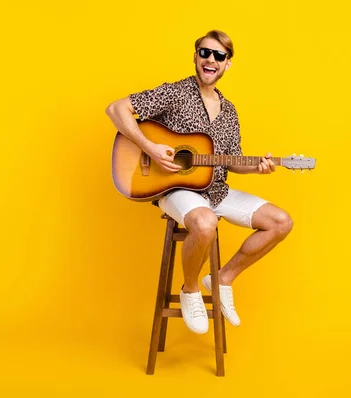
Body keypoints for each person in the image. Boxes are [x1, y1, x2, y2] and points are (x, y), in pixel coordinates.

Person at [105, 30, 293, 334]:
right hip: (176, 188)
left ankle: (223, 278)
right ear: (195, 56)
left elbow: (232, 161)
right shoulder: (175, 93)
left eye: (219, 56)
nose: (210, 59)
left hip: (217, 190)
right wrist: (150, 147)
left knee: (281, 222)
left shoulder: (229, 111)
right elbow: (116, 109)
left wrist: (258, 168)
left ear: (227, 64)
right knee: (205, 223)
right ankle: (190, 290)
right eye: (205, 52)